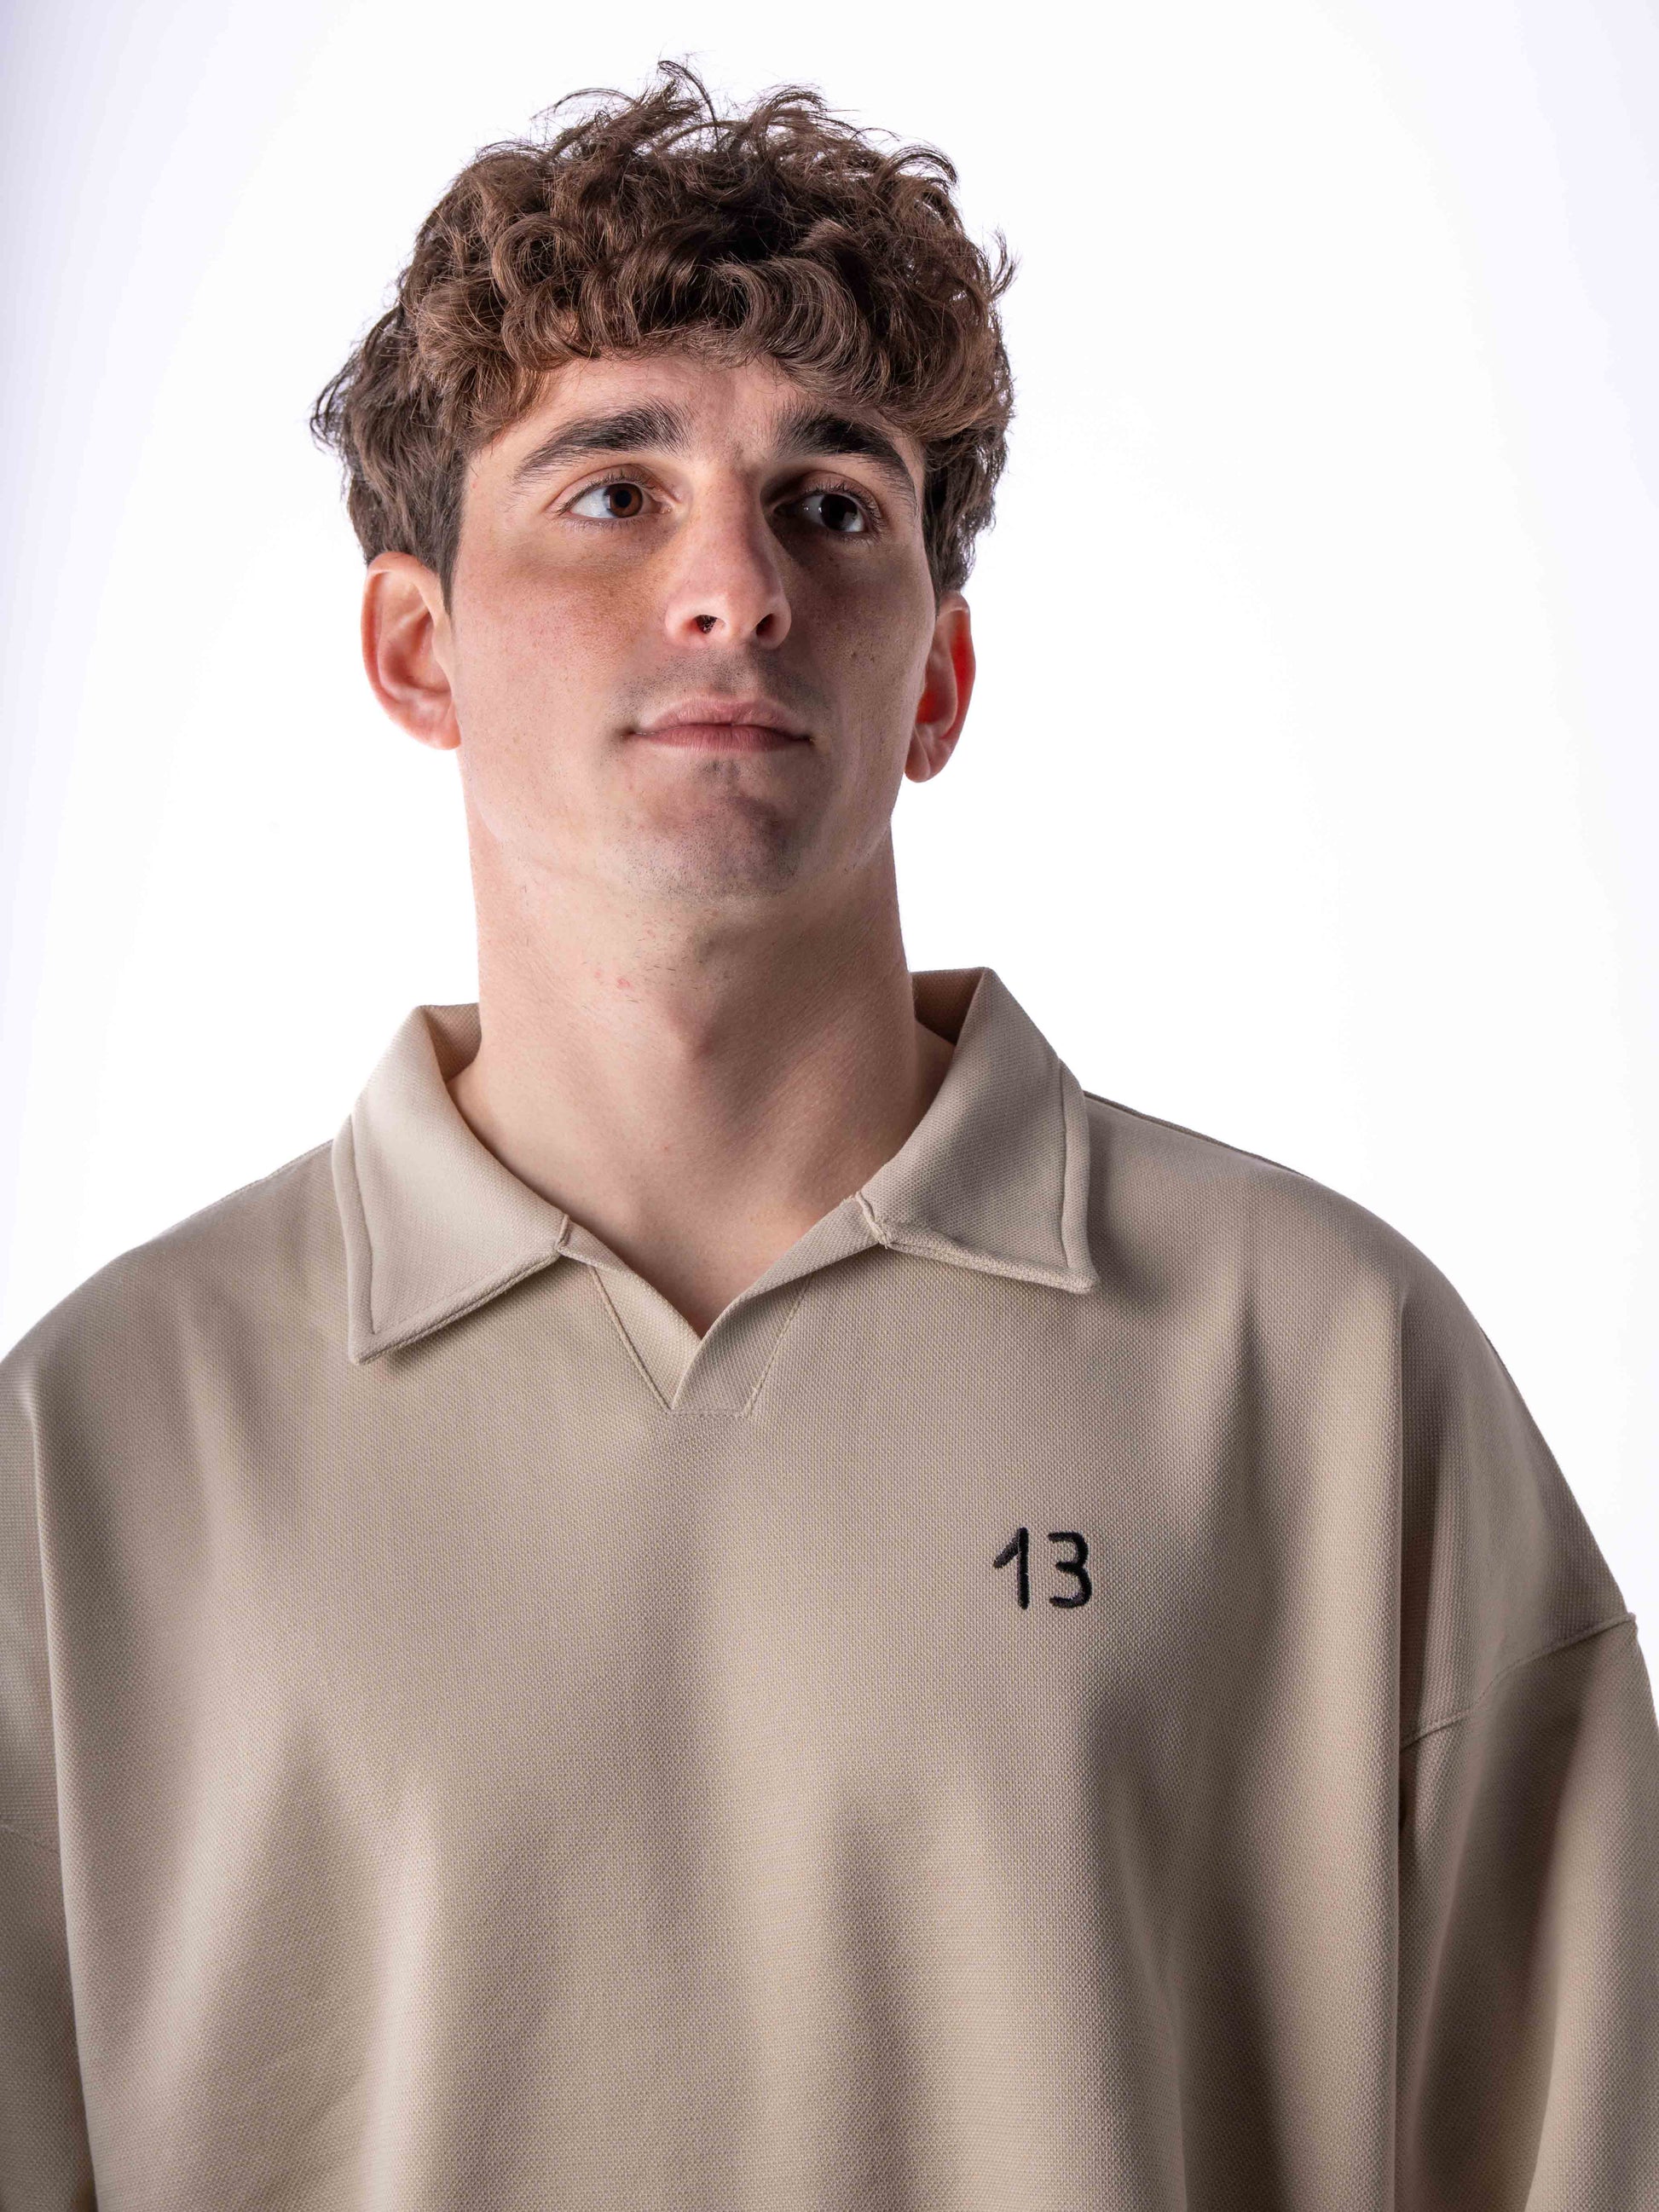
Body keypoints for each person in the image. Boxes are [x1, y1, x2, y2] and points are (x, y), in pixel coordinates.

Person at [2, 57, 1655, 2210]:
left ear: (936, 680)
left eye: (832, 503)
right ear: (416, 649)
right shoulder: (91, 1454)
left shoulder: (1332, 1375)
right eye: (613, 492)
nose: (736, 589)